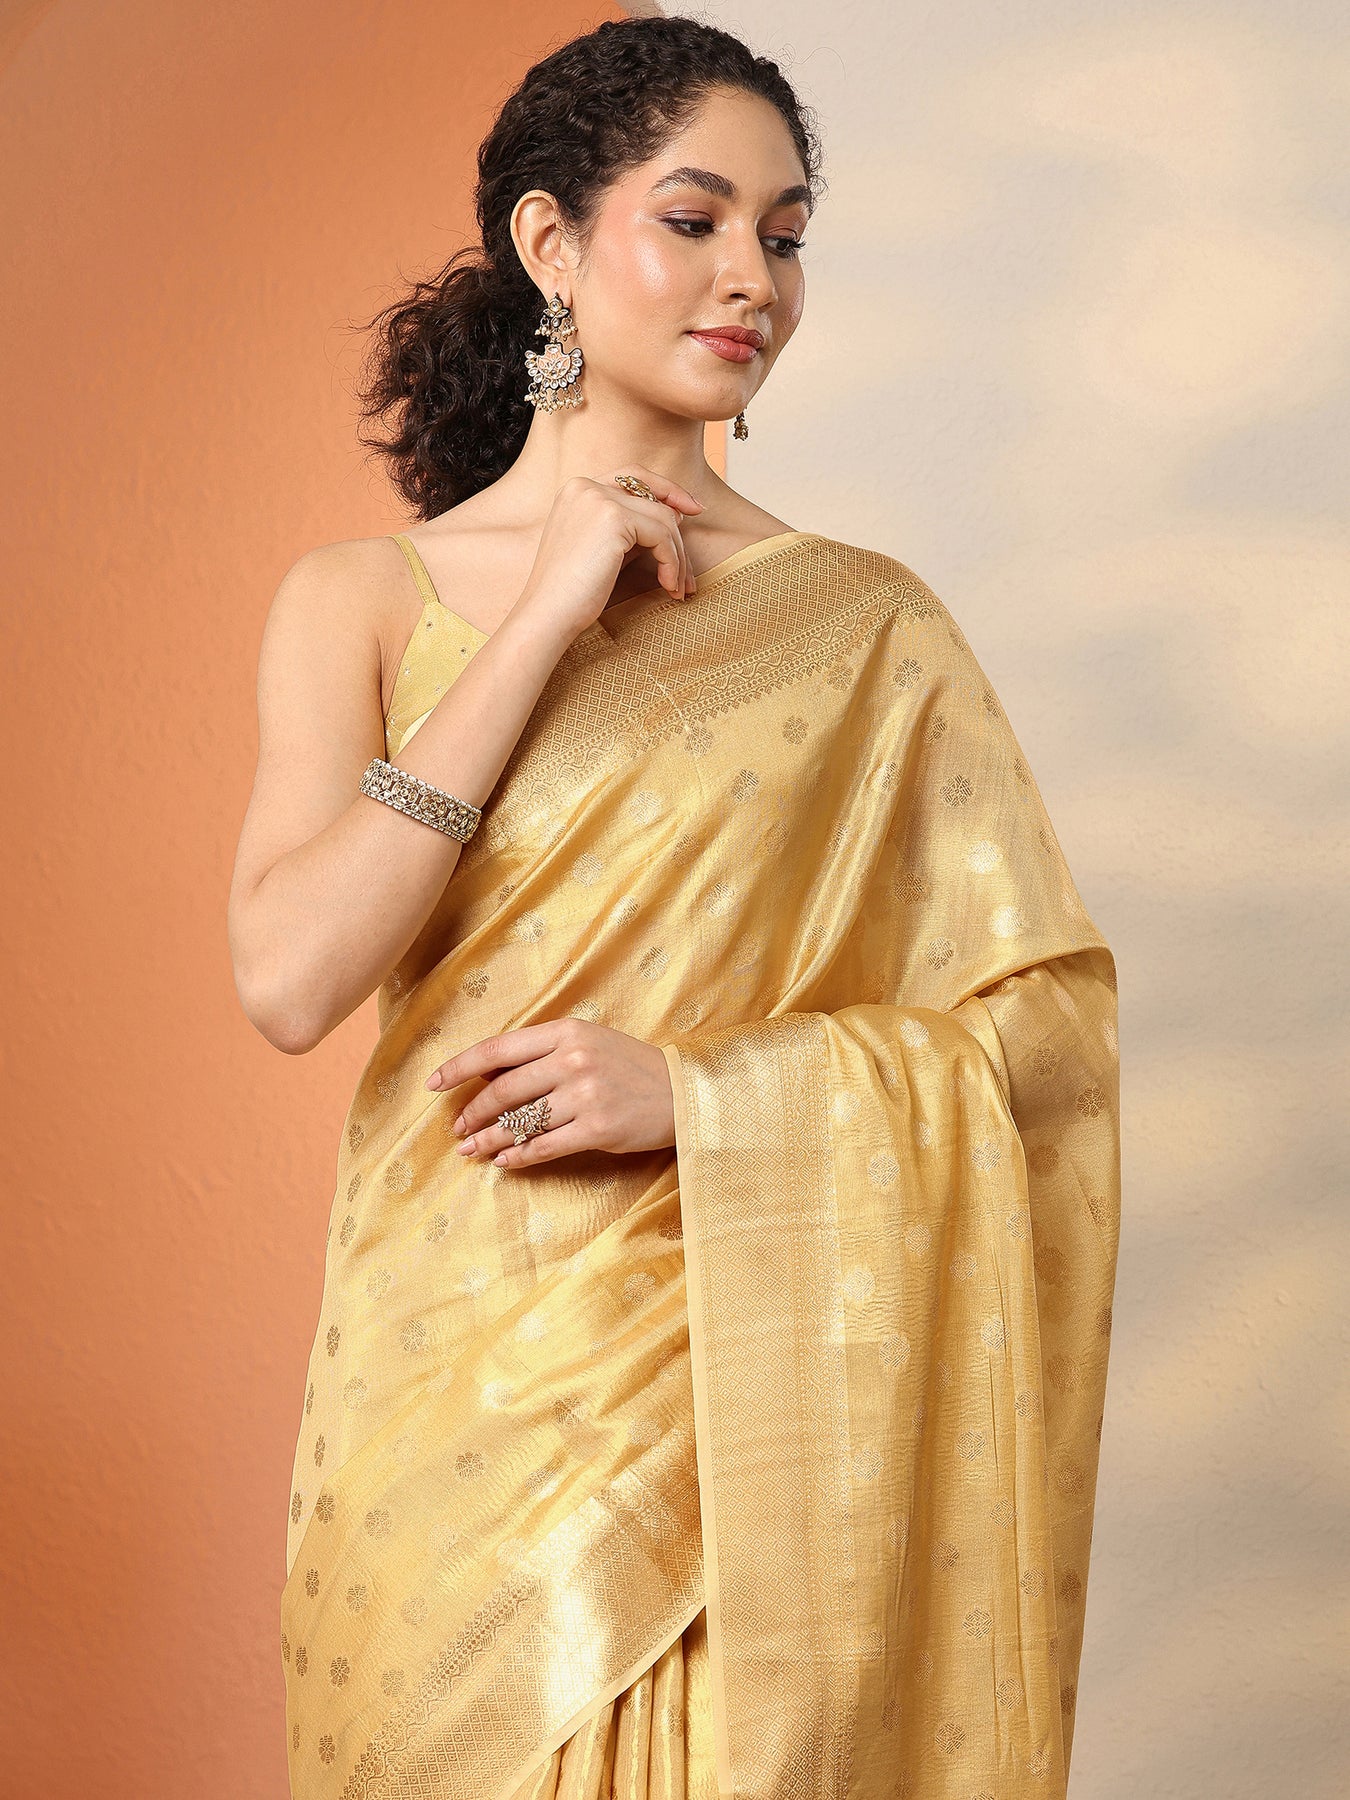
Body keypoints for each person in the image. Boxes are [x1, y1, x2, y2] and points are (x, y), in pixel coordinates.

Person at [227, 16, 1120, 1799]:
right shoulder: (366, 598)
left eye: (783, 237)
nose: (752, 280)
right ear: (549, 243)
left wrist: (699, 1095)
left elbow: (1041, 1049)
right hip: (449, 1401)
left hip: (750, 1417)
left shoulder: (866, 628)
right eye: (694, 220)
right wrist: (544, 613)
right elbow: (293, 977)